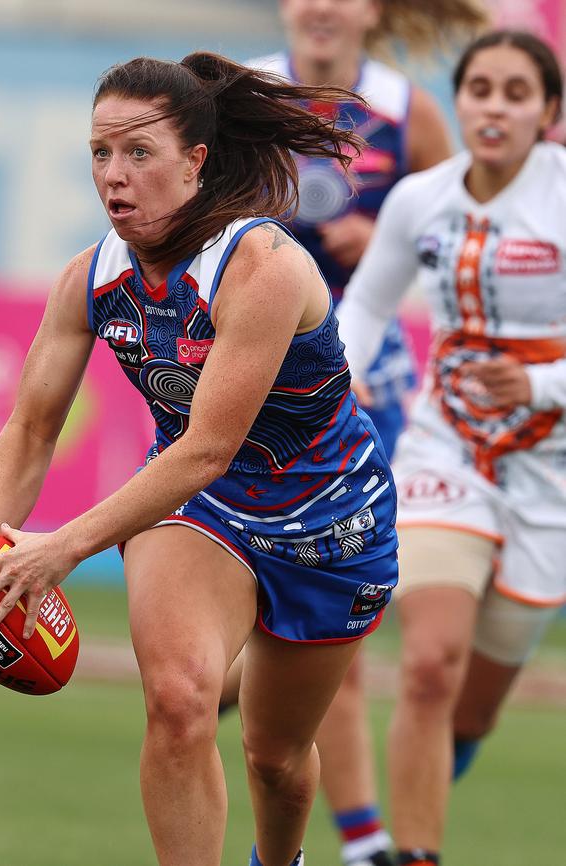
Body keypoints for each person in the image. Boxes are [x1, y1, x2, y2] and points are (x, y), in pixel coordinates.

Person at [0, 53, 401, 866]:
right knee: (182, 701)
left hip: (332, 522)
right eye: (100, 153)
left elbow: (209, 448)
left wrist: (61, 548)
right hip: (200, 514)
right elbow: (32, 427)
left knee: (277, 758)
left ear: (196, 163)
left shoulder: (259, 266)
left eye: (139, 153)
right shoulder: (90, 277)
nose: (114, 176)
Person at [222, 3, 487, 865]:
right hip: (253, 380)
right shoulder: (239, 91)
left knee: (341, 614)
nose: (324, 6)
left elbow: (463, 230)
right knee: (308, 616)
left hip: (367, 383)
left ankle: (364, 834)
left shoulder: (409, 112)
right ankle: (364, 836)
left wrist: (388, 242)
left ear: (373, 9)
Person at [335, 30, 566, 866]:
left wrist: (540, 387)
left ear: (550, 111)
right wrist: (340, 375)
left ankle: (435, 779)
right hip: (445, 451)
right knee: (430, 663)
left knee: (471, 711)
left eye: (516, 92)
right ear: (460, 98)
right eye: (480, 89)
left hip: (552, 478)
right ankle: (412, 855)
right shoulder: (418, 198)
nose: (495, 107)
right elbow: (364, 306)